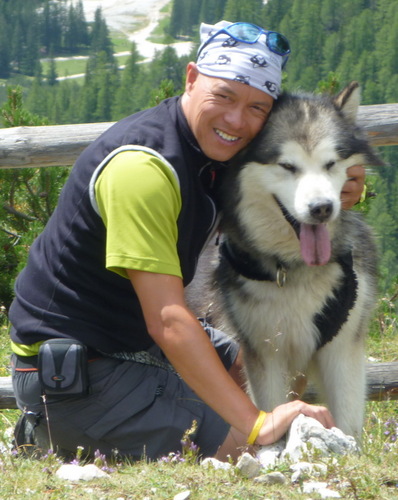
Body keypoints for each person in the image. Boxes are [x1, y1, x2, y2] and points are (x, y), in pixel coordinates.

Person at [9, 20, 365, 462]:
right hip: (81, 370)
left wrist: (344, 187)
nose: (237, 120)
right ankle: (54, 427)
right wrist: (256, 424)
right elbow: (168, 320)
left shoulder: (210, 153)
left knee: (271, 360)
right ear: (191, 78)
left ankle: (66, 429)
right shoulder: (143, 169)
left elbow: (285, 183)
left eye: (258, 107)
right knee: (269, 443)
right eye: (224, 97)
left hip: (130, 343)